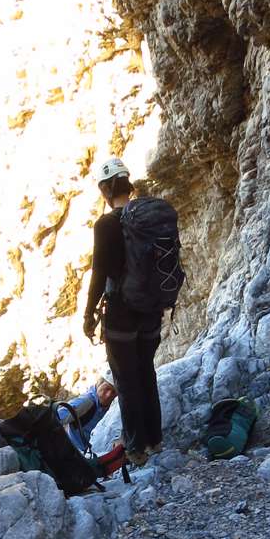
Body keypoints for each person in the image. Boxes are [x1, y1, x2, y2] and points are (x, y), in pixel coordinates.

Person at [82, 157, 165, 465]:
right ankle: (154, 439)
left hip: (120, 312)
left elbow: (99, 273)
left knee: (126, 378)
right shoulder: (151, 216)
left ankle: (135, 448)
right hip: (151, 309)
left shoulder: (105, 225)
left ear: (105, 189)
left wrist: (88, 314)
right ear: (128, 184)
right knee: (146, 371)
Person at [57, 378, 117, 456]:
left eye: (114, 392)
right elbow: (57, 417)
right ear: (100, 383)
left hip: (89, 453)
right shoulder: (87, 402)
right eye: (107, 388)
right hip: (73, 451)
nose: (108, 395)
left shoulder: (110, 408)